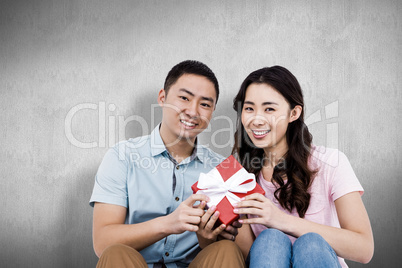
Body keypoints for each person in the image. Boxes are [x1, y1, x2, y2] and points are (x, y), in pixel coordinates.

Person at [89, 60, 245, 268]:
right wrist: (169, 223)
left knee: (227, 249)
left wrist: (206, 236)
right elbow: (102, 242)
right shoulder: (122, 156)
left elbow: (217, 252)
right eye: (184, 98)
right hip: (135, 264)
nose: (193, 111)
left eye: (205, 104)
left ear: (212, 111)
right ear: (162, 98)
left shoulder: (222, 168)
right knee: (116, 253)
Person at [231, 66, 374, 267]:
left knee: (310, 243)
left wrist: (280, 220)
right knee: (270, 241)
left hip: (317, 259)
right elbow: (249, 256)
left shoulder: (331, 162)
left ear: (294, 113)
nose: (257, 119)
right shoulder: (241, 176)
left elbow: (364, 249)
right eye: (249, 108)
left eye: (269, 109)